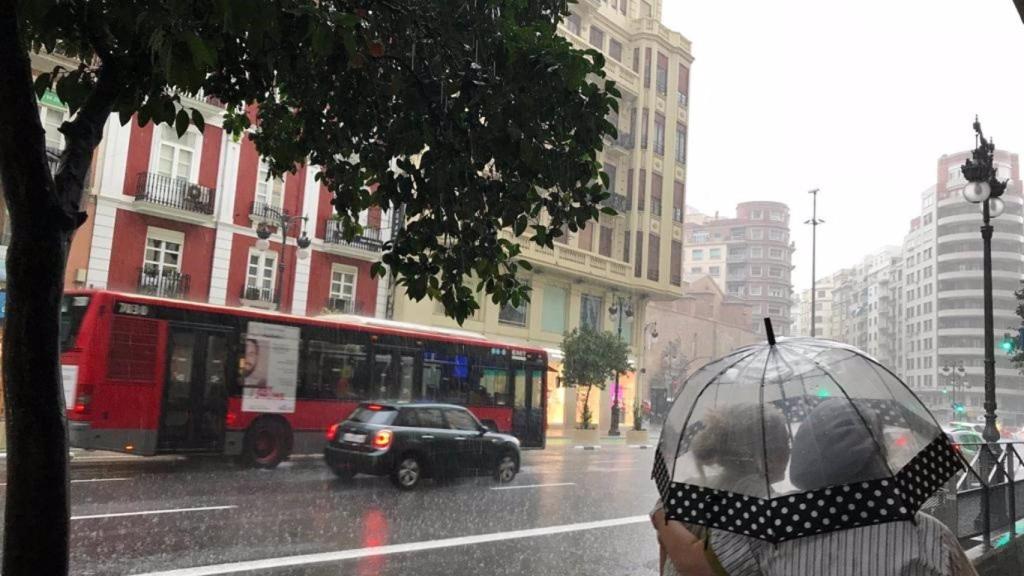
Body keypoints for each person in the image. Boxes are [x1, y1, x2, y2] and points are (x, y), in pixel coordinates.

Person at [654, 398, 979, 576]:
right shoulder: (930, 537)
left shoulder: (767, 525)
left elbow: (694, 565)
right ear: (879, 452)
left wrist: (661, 516)